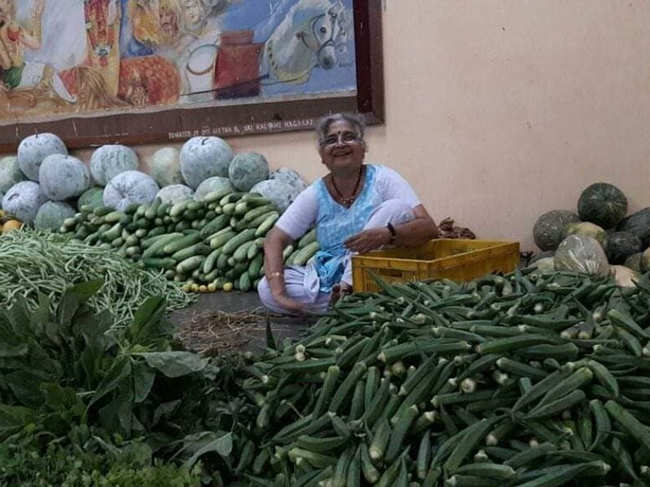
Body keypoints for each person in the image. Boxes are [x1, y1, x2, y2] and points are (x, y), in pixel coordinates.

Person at [258, 112, 440, 315]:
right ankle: (350, 303)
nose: (340, 144)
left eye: (349, 137)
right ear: (322, 155)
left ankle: (347, 292)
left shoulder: (383, 178)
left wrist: (387, 234)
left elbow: (429, 227)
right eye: (331, 140)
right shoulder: (317, 193)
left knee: (396, 208)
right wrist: (280, 292)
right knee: (266, 289)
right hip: (332, 277)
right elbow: (274, 238)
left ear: (363, 149)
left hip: (380, 273)